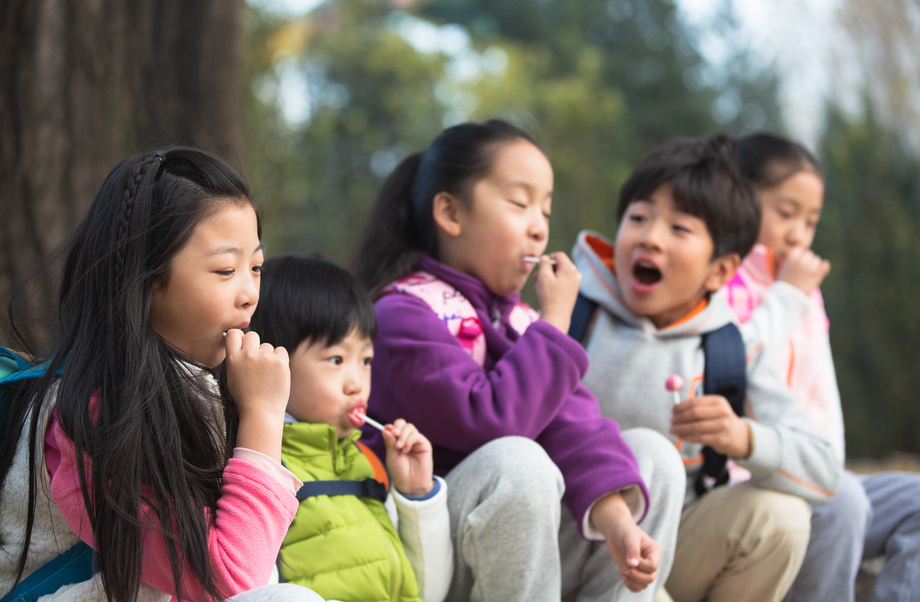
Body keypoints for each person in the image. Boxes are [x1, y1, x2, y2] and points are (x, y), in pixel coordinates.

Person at [352, 119, 686, 602]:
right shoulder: (403, 312)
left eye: (545, 210)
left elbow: (575, 425)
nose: (538, 227)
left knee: (654, 455)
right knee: (518, 461)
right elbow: (489, 420)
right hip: (427, 555)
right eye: (519, 202)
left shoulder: (521, 320)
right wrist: (553, 321)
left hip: (520, 550)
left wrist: (617, 524)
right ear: (450, 212)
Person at [0, 149, 321, 602]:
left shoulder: (200, 386)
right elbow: (231, 579)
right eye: (226, 270)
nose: (250, 294)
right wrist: (264, 416)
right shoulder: (90, 413)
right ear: (147, 280)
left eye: (256, 268)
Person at [570, 134, 841, 602]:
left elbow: (824, 471)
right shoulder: (573, 314)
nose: (650, 237)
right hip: (565, 546)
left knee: (780, 519)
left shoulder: (728, 351)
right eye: (639, 217)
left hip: (668, 556)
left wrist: (743, 438)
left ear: (720, 271)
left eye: (680, 228)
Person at [722, 131, 920, 602]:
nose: (798, 233)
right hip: (753, 481)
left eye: (810, 221)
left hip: (819, 476)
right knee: (843, 504)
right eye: (785, 213)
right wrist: (787, 295)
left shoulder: (806, 293)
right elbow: (733, 364)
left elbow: (823, 395)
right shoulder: (720, 279)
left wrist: (828, 465)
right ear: (738, 200)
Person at [247, 255, 453, 602]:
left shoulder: (369, 465)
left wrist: (417, 496)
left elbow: (428, 593)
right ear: (273, 361)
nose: (357, 384)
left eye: (366, 361)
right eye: (336, 360)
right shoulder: (263, 467)